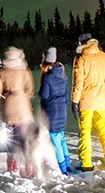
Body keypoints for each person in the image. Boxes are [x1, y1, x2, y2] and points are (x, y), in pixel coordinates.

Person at [71, 33, 105, 172]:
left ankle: (86, 164)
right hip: (101, 102)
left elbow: (78, 84)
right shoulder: (102, 56)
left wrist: (74, 101)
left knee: (85, 133)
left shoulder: (81, 59)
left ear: (81, 43)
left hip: (86, 102)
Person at [0, 46, 35, 175]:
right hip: (22, 107)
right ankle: (28, 166)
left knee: (11, 139)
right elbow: (30, 90)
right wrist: (23, 97)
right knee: (25, 138)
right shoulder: (25, 71)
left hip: (8, 107)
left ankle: (11, 164)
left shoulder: (2, 72)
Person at [38, 46, 71, 174]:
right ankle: (67, 164)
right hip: (62, 109)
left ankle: (63, 169)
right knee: (61, 137)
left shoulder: (47, 76)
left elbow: (44, 94)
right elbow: (66, 93)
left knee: (55, 140)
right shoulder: (62, 74)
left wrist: (39, 93)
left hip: (52, 111)